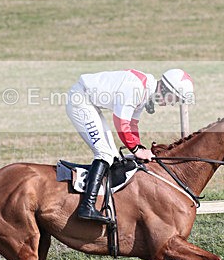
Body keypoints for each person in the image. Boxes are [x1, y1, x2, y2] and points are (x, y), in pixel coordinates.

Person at [65, 68, 195, 223]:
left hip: (89, 103)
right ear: (167, 90)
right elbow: (121, 122)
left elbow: (132, 124)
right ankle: (87, 206)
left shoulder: (145, 91)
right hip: (81, 101)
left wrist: (139, 147)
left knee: (112, 155)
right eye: (174, 99)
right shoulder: (136, 89)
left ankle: (104, 200)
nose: (171, 103)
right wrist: (135, 149)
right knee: (104, 153)